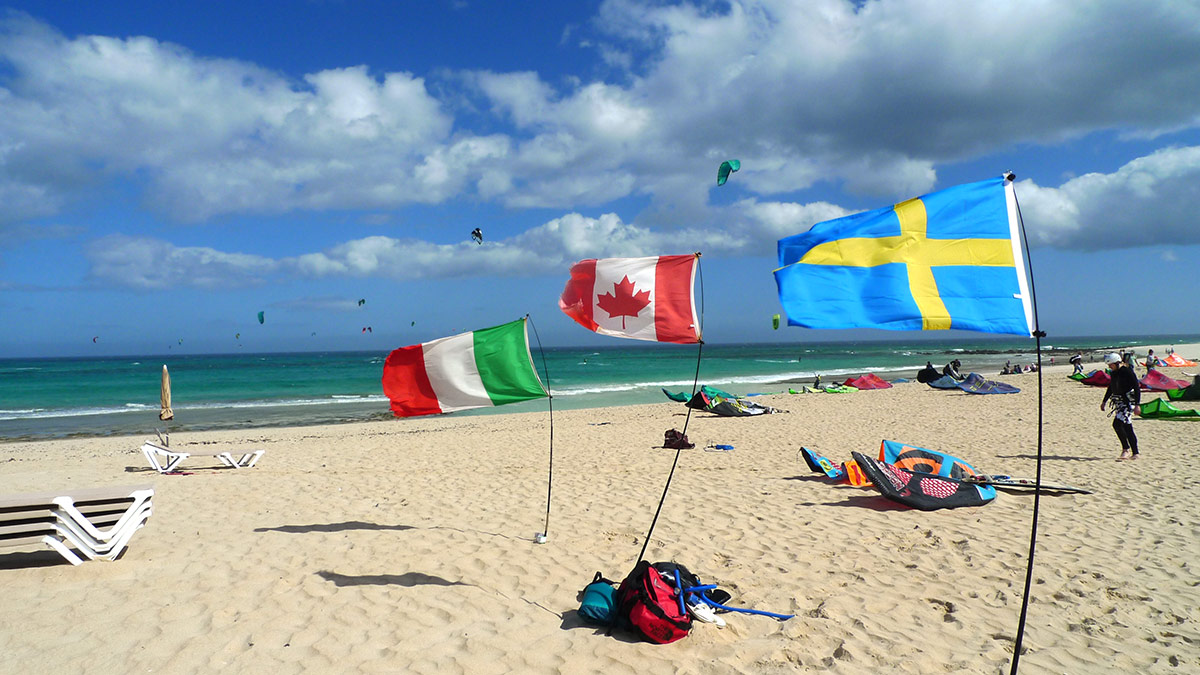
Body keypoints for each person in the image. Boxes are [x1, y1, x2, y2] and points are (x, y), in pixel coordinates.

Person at [1100, 352, 1141, 461]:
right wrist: (1104, 401)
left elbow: (1137, 387)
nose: (1109, 367)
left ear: (1117, 363)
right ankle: (1135, 452)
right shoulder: (1114, 373)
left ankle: (1126, 449)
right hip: (1119, 403)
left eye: (1111, 364)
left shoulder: (1127, 372)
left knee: (1117, 424)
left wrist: (1137, 404)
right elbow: (1111, 387)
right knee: (1127, 427)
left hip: (1128, 403)